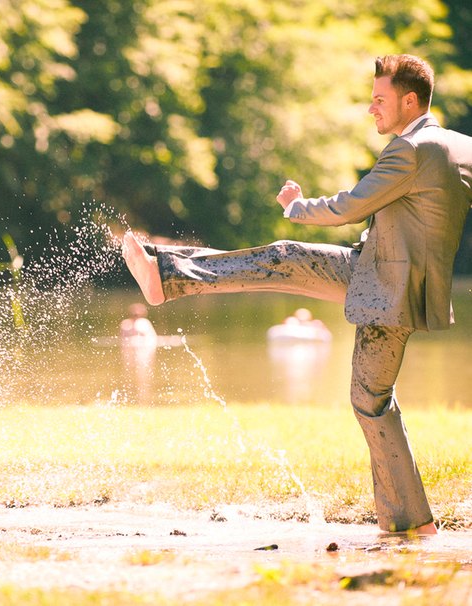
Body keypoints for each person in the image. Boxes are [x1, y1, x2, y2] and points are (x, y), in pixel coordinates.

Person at [122, 54, 472, 534]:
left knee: (371, 401)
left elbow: (353, 204)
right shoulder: (459, 146)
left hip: (390, 291)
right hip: (377, 271)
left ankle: (412, 525)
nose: (371, 109)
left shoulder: (411, 149)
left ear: (410, 101)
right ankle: (168, 277)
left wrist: (297, 204)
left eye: (380, 100)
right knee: (283, 257)